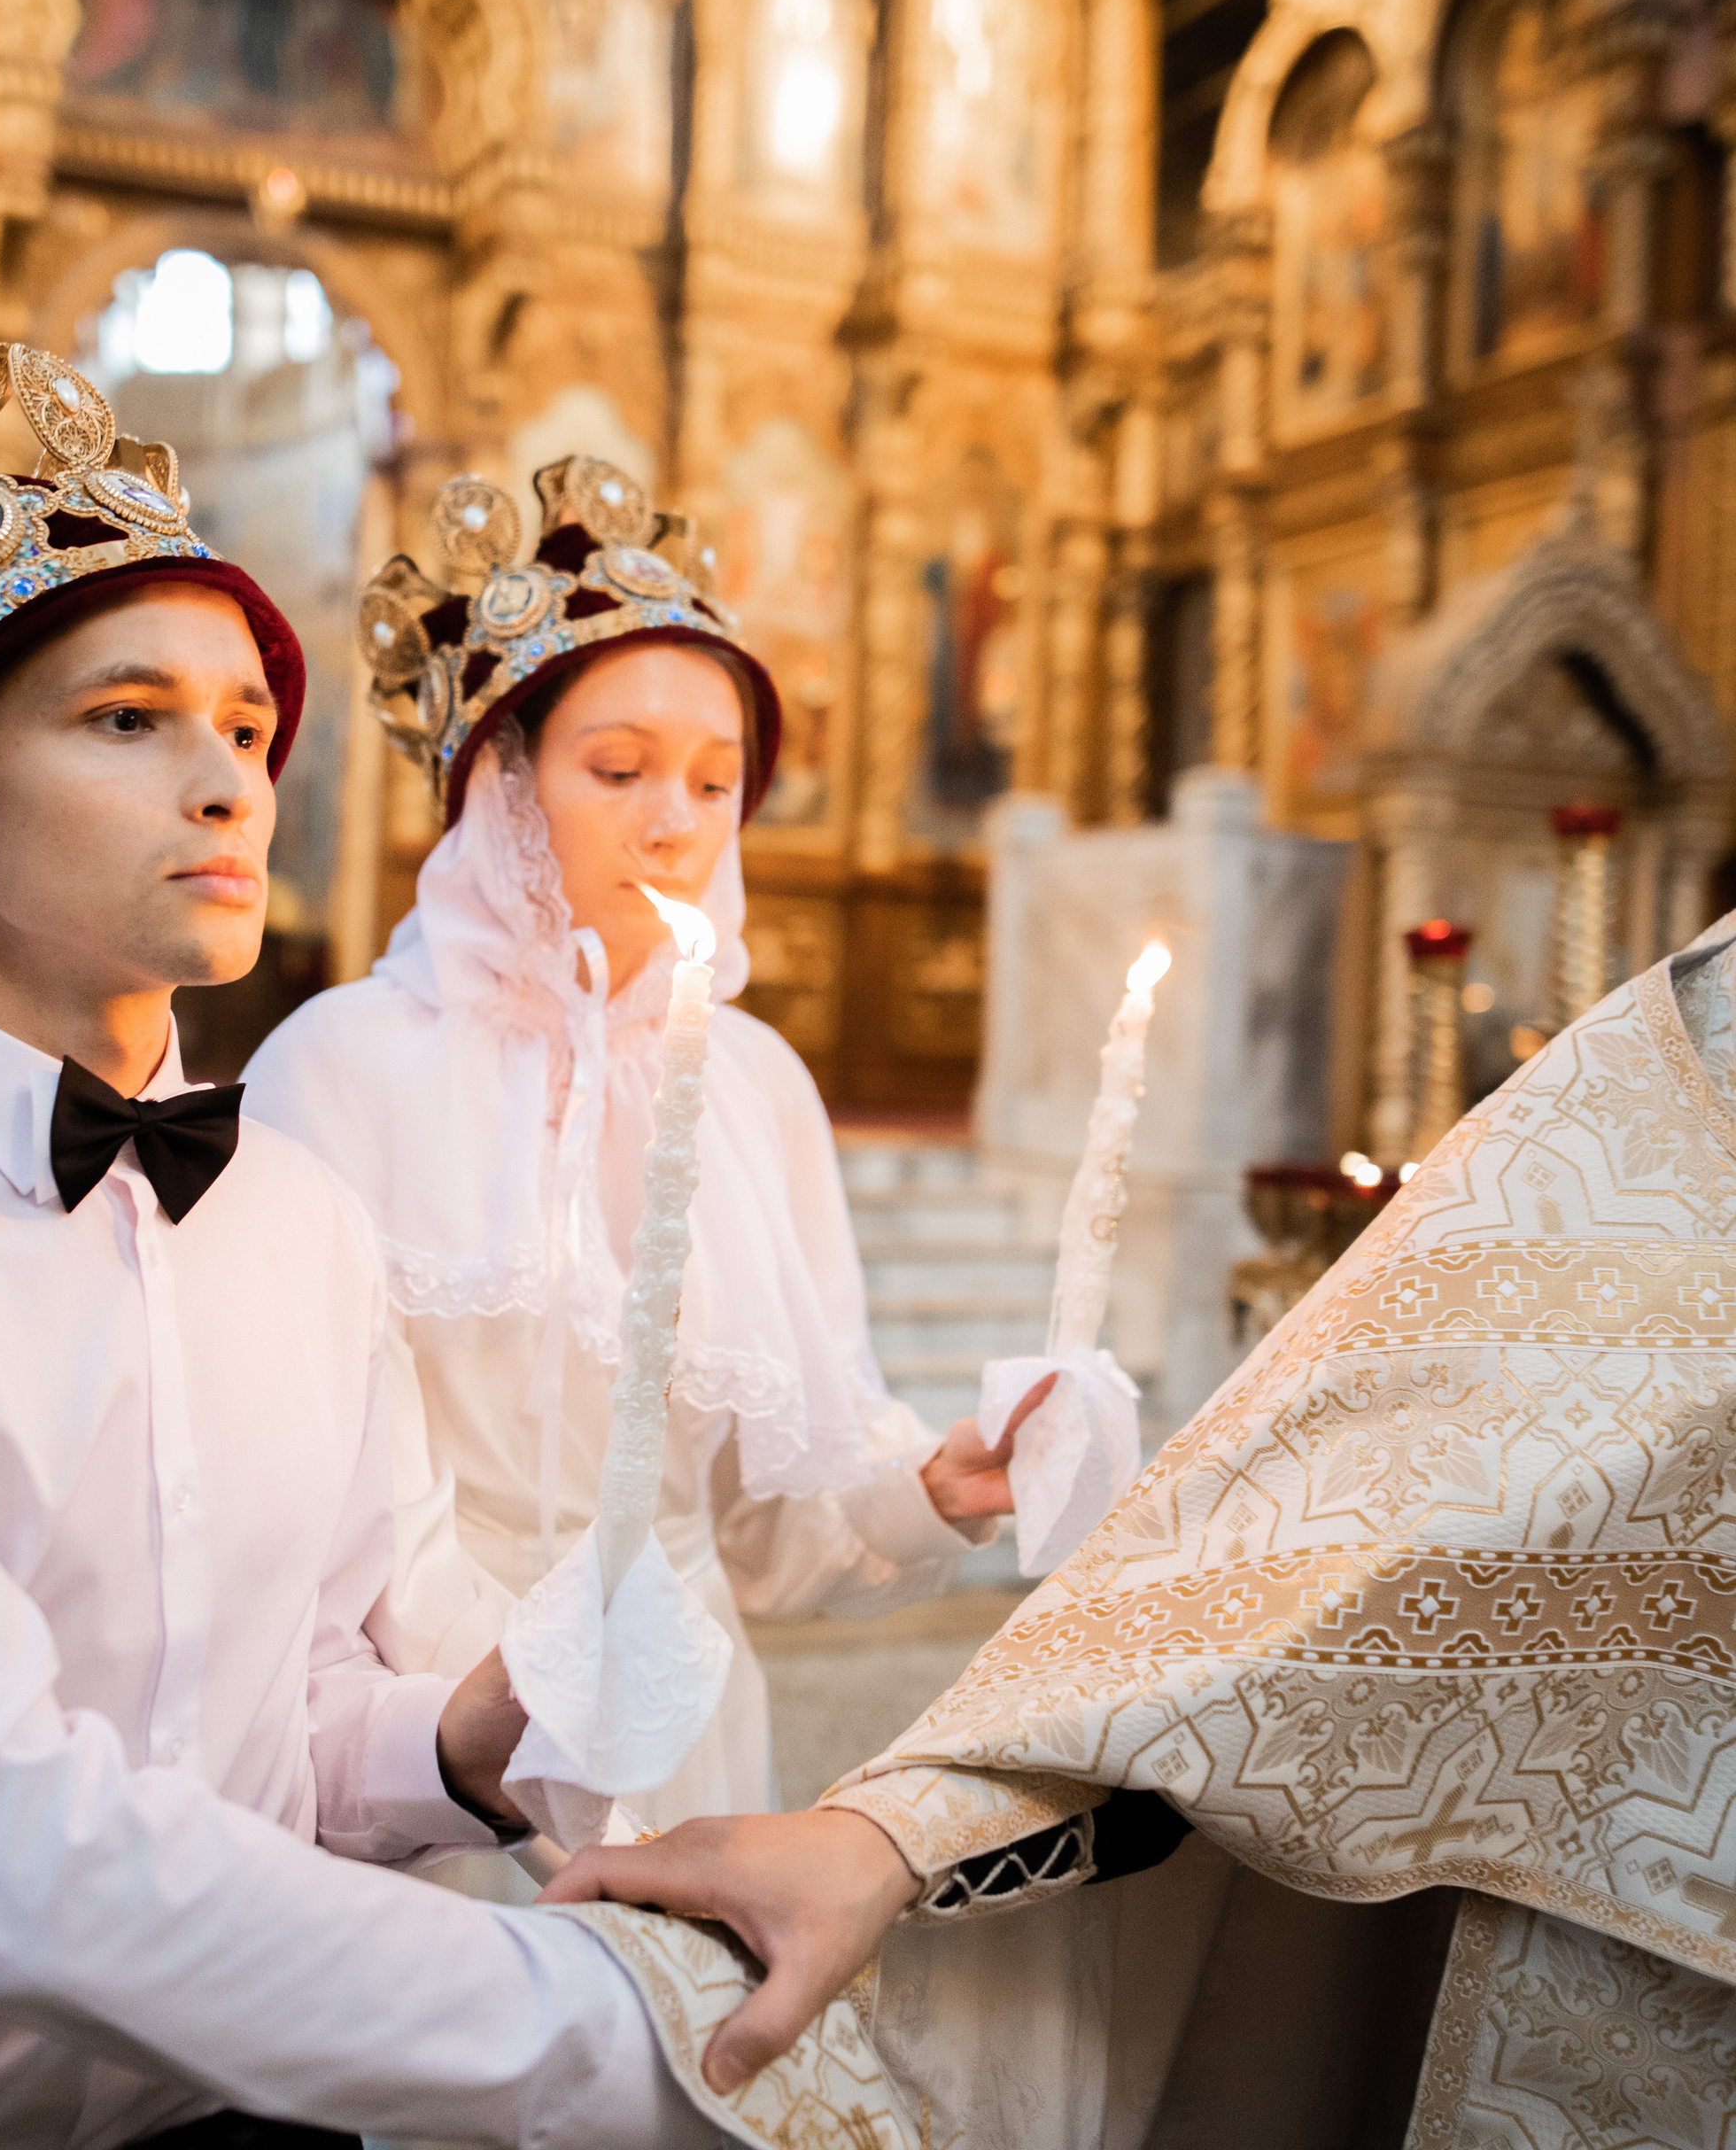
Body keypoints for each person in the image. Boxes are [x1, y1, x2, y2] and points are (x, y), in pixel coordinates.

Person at [0, 347, 746, 2150]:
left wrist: (466, 1728)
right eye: (126, 717)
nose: (226, 780)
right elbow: (0, 1842)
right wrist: (619, 2029)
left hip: (248, 2114)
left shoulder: (293, 1211)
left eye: (241, 725)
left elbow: (291, 1717)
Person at [546, 910, 1736, 2143]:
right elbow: (1361, 1532)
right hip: (466, 1715)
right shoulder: (1690, 1064)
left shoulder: (754, 1091)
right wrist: (896, 1832)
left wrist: (915, 1499)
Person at [240, 456, 1047, 1836]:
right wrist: (507, 1715)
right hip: (425, 1728)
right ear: (501, 783)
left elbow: (773, 1525)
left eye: (716, 782)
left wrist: (927, 1488)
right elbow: (335, 1494)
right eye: (617, 769)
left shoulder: (755, 1088)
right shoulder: (339, 1065)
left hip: (688, 1721)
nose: (673, 822)